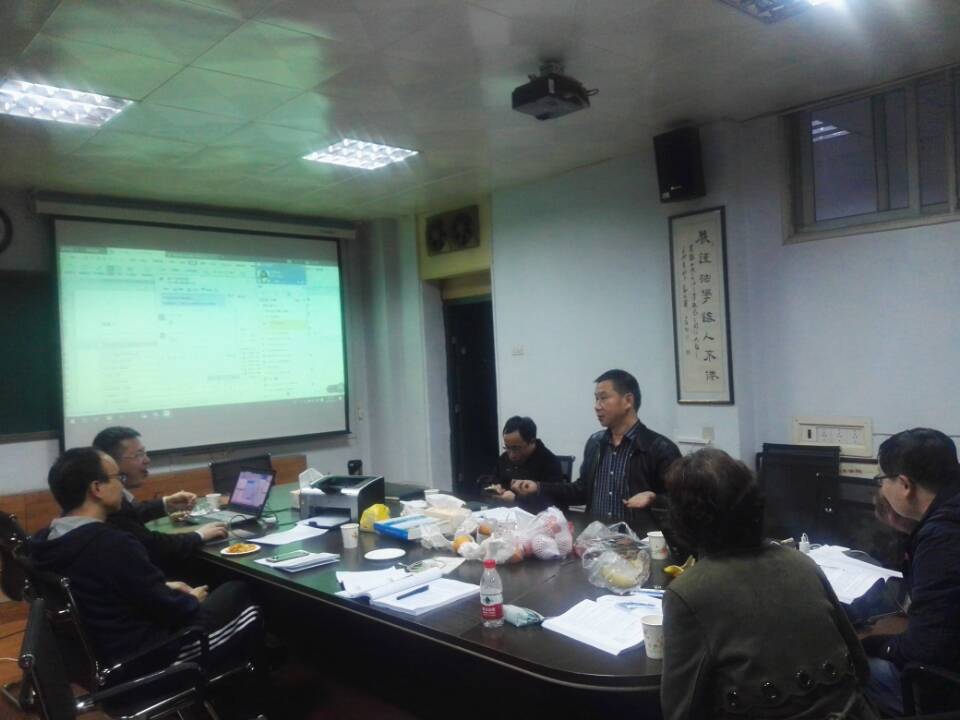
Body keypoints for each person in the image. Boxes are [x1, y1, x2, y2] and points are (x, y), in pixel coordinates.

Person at [660, 448, 877, 720]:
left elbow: (681, 712)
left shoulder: (688, 592)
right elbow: (861, 669)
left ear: (683, 519)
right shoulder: (802, 563)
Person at [30, 447, 264, 683]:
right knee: (242, 591)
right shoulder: (110, 544)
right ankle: (248, 691)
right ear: (97, 488)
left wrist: (164, 587)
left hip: (102, 657)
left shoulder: (47, 540)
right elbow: (172, 610)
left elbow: (107, 587)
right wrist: (191, 599)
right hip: (148, 659)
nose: (122, 485)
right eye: (118, 478)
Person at [861, 428, 960, 716]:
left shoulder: (942, 538)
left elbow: (926, 649)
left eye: (882, 479)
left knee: (847, 669)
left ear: (905, 485)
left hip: (947, 687)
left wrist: (875, 645)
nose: (881, 488)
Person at [512, 369, 680, 530]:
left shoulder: (660, 448)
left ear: (628, 401)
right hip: (596, 540)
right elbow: (581, 491)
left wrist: (654, 499)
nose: (597, 406)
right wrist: (538, 487)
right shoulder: (596, 443)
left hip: (639, 542)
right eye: (596, 399)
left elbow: (682, 502)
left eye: (603, 398)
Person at [92, 426, 226, 573]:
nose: (147, 460)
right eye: (138, 455)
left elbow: (133, 514)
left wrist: (166, 503)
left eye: (145, 453)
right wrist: (199, 535)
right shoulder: (109, 506)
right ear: (110, 463)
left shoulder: (108, 501)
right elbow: (153, 545)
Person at [480, 416, 565, 513]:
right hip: (504, 514)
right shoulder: (504, 458)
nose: (511, 455)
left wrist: (516, 500)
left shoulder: (550, 463)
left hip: (535, 518)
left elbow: (553, 504)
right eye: (507, 447)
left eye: (516, 448)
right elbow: (490, 481)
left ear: (532, 441)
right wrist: (494, 489)